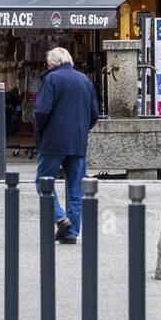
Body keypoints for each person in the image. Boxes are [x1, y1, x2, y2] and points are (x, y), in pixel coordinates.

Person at [34, 47, 99, 244]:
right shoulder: (84, 80)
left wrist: (41, 132)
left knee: (43, 183)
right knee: (75, 188)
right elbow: (94, 113)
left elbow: (42, 110)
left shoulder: (51, 79)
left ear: (52, 63)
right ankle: (71, 233)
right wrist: (81, 129)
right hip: (78, 141)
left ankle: (60, 218)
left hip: (53, 141)